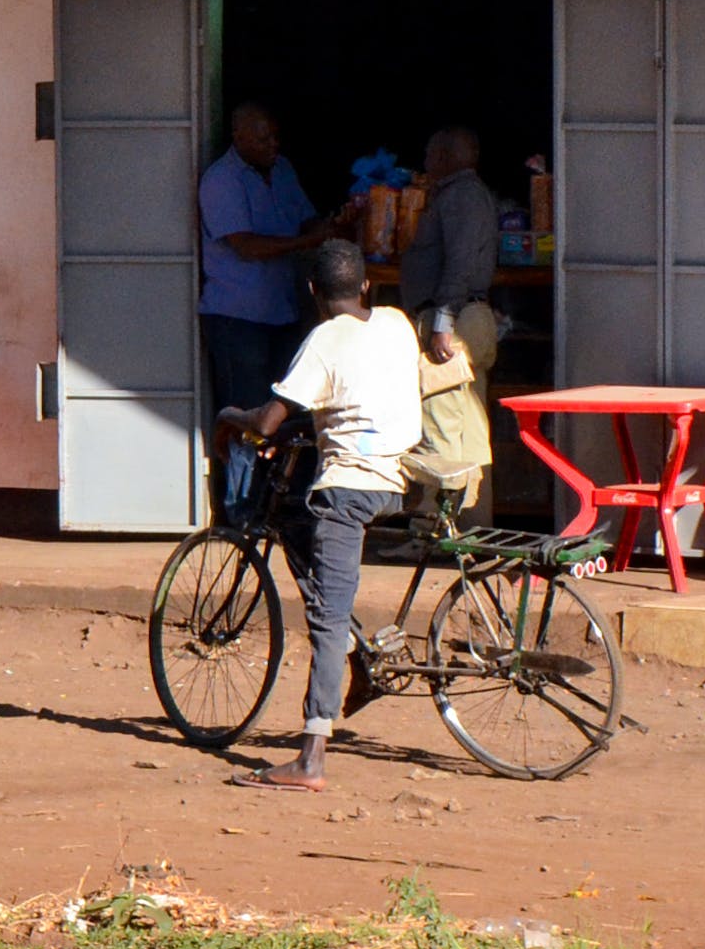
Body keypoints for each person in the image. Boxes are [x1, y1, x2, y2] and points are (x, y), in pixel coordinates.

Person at [214, 237, 421, 792]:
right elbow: (367, 393)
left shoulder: (322, 341)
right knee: (315, 562)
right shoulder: (398, 323)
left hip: (348, 488)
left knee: (327, 622)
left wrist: (230, 415)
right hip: (396, 482)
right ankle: (358, 665)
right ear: (365, 287)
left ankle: (310, 758)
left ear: (311, 292)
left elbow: (266, 422)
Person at [197, 104, 338, 520]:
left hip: (282, 314)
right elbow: (247, 246)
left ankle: (278, 508)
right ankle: (241, 514)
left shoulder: (283, 169)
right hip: (237, 319)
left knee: (286, 419)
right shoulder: (221, 180)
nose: (272, 145)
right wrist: (307, 243)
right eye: (263, 139)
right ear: (238, 138)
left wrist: (327, 227)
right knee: (245, 420)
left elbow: (307, 218)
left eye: (275, 137)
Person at [398, 124, 500, 505]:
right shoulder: (467, 196)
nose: (425, 163)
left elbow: (458, 264)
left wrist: (442, 324)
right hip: (466, 317)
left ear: (442, 157)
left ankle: (432, 533)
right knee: (468, 432)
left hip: (453, 322)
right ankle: (469, 531)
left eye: (428, 155)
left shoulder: (460, 197)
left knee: (440, 427)